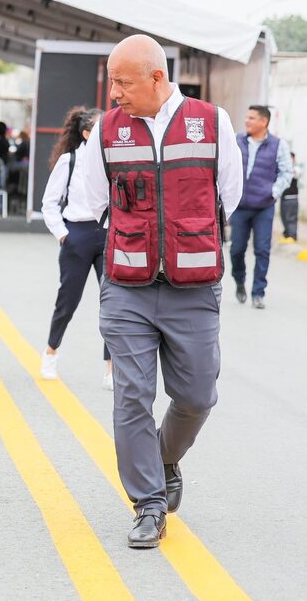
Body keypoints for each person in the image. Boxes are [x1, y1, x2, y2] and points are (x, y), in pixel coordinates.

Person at [80, 34, 242, 548]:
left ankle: (164, 458)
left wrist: (182, 241)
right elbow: (90, 201)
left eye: (123, 83)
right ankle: (148, 504)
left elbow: (228, 198)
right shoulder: (106, 132)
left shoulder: (211, 123)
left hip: (193, 289)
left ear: (156, 77)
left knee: (197, 395)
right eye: (112, 83)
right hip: (126, 287)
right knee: (132, 395)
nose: (115, 95)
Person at [39, 107, 111, 389]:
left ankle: (110, 369)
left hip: (106, 234)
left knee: (113, 303)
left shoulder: (111, 160)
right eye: (100, 128)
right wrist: (62, 235)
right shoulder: (69, 161)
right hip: (76, 235)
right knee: (68, 301)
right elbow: (49, 203)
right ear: (86, 133)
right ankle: (50, 352)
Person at [231, 105, 294, 308]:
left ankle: (258, 293)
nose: (246, 121)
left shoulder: (278, 145)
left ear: (263, 122)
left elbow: (286, 173)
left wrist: (272, 192)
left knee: (262, 250)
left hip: (264, 207)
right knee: (236, 250)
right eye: (246, 117)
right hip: (240, 206)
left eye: (251, 118)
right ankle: (239, 281)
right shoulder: (236, 140)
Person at [281, 151, 300, 241]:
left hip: (292, 198)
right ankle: (287, 234)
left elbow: (295, 174)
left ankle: (292, 236)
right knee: (284, 217)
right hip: (284, 198)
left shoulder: (295, 169)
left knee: (291, 218)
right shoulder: (283, 169)